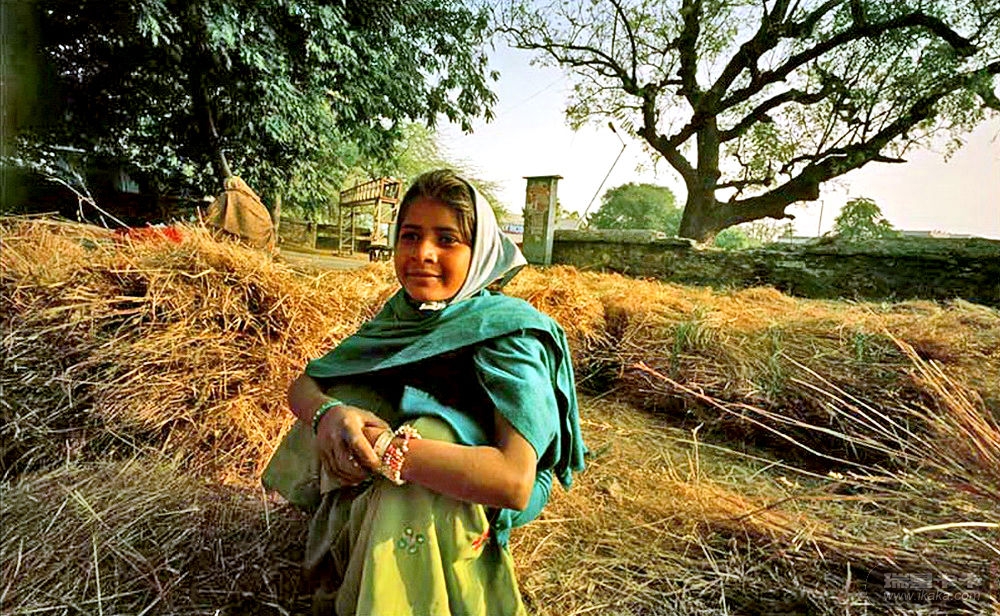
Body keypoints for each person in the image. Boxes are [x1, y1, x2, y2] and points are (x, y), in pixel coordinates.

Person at [284, 169, 586, 615]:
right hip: (420, 453)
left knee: (422, 441)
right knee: (352, 401)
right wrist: (330, 414)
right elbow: (306, 384)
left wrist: (385, 449)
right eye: (410, 236)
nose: (422, 253)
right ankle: (355, 540)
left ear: (479, 251)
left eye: (447, 240)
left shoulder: (508, 331)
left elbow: (514, 482)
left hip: (487, 478)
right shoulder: (403, 314)